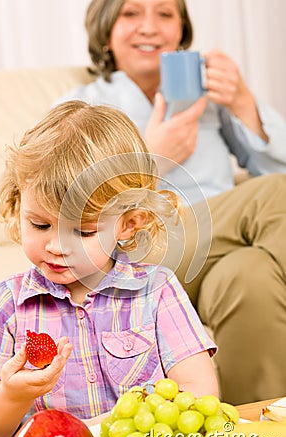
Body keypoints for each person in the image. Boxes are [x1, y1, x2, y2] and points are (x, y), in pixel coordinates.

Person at [56, 0, 286, 405]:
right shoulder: (80, 106)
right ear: (106, 30)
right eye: (130, 14)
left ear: (181, 30)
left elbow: (273, 163)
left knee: (252, 277)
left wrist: (243, 101)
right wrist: (149, 161)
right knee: (276, 193)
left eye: (165, 14)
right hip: (137, 253)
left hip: (220, 250)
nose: (150, 27)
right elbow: (65, 207)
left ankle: (257, 429)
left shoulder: (208, 99)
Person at [0, 100, 218, 437]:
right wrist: (12, 395)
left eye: (83, 231)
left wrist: (103, 427)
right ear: (19, 206)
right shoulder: (10, 304)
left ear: (128, 223)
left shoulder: (157, 291)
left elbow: (200, 395)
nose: (57, 246)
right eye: (40, 224)